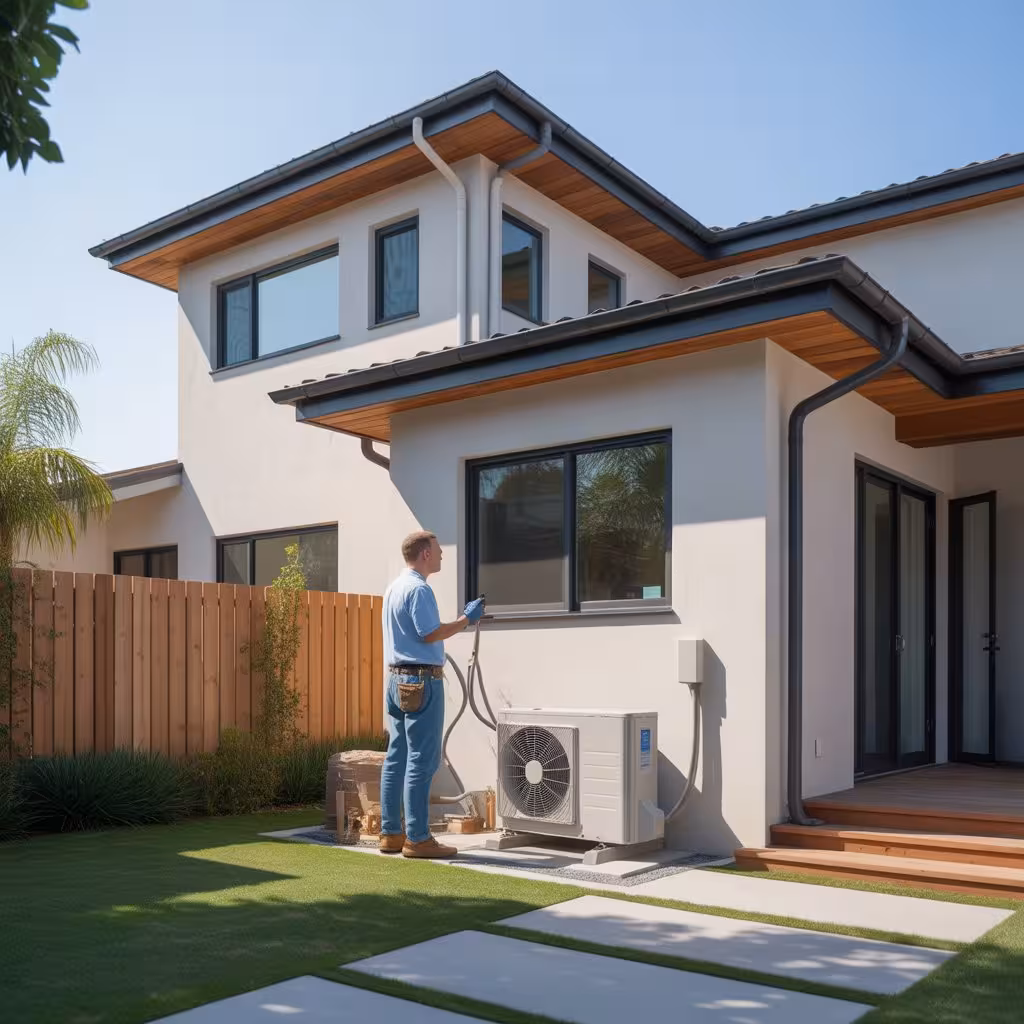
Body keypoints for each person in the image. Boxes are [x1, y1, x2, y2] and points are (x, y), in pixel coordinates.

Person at [378, 530, 485, 858]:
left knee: (396, 757)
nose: (441, 555)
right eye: (438, 551)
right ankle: (419, 839)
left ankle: (390, 834)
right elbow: (430, 634)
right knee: (421, 762)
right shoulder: (419, 590)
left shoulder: (394, 587)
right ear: (424, 554)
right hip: (422, 682)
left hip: (396, 682)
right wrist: (466, 619)